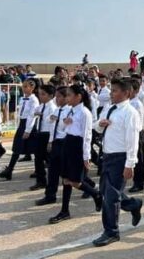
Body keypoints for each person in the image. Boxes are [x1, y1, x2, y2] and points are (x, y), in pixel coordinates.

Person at [92, 78, 143, 247]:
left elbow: (132, 140)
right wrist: (100, 124)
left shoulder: (130, 112)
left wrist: (130, 164)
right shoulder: (109, 108)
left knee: (111, 197)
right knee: (108, 191)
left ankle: (111, 232)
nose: (111, 93)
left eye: (114, 90)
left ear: (126, 93)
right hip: (106, 156)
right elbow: (97, 127)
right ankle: (133, 204)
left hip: (120, 158)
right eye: (111, 90)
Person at [49, 85, 103, 224]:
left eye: (69, 95)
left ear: (78, 96)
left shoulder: (84, 112)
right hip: (68, 142)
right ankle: (64, 210)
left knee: (75, 181)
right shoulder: (71, 111)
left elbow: (87, 136)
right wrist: (65, 123)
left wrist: (86, 157)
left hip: (78, 146)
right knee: (66, 179)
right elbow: (64, 127)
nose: (67, 98)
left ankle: (95, 194)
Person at [0, 79, 40, 180]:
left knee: (36, 150)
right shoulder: (22, 98)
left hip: (29, 125)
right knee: (16, 148)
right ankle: (9, 170)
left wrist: (28, 130)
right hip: (22, 124)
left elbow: (32, 116)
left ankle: (39, 170)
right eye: (23, 86)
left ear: (32, 88)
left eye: (26, 86)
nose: (23, 88)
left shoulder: (34, 100)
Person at [35, 87, 71, 206]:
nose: (57, 99)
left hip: (65, 143)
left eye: (60, 96)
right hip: (55, 142)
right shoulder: (57, 110)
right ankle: (50, 195)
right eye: (56, 96)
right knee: (53, 171)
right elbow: (50, 124)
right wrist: (50, 141)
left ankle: (89, 186)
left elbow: (68, 129)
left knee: (67, 173)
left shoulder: (69, 111)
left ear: (67, 97)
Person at [29, 85, 57, 191]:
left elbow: (51, 123)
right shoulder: (41, 106)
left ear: (50, 95)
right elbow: (32, 114)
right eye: (40, 94)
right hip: (40, 133)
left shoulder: (52, 107)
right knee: (38, 158)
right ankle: (41, 180)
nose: (40, 96)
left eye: (43, 94)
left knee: (48, 159)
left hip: (47, 134)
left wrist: (50, 140)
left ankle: (53, 178)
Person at [128, 79, 144, 193]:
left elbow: (138, 121)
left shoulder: (137, 103)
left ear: (135, 90)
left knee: (139, 159)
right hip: (130, 133)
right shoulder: (129, 102)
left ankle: (139, 182)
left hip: (136, 132)